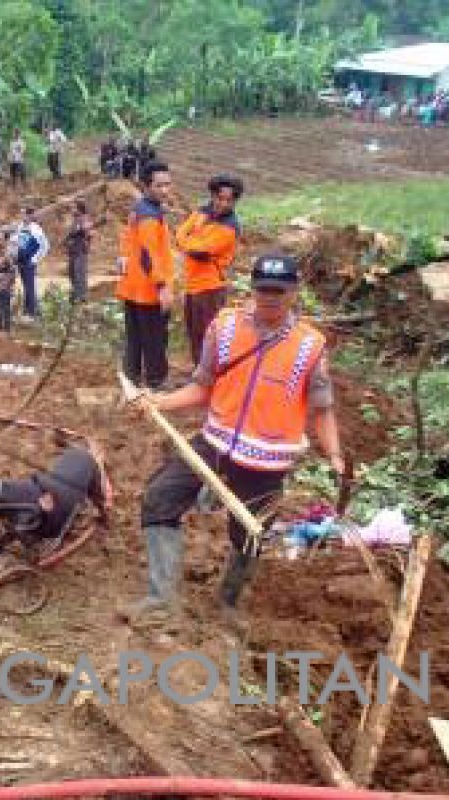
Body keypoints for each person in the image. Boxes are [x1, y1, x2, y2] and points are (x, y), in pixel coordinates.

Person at [121, 254, 344, 627]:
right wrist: (156, 401)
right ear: (252, 289)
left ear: (294, 292)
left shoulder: (310, 347)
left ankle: (229, 602)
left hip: (266, 460)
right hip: (216, 442)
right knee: (160, 497)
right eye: (264, 289)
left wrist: (334, 454)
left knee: (250, 534)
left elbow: (322, 410)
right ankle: (161, 601)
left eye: (279, 290)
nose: (270, 297)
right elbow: (202, 388)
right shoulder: (223, 328)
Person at [116, 160, 175, 389]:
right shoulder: (149, 216)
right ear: (146, 186)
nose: (164, 190)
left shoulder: (140, 209)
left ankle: (131, 377)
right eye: (159, 186)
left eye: (167, 185)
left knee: (135, 337)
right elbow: (149, 255)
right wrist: (162, 287)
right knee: (154, 338)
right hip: (148, 289)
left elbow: (129, 244)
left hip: (132, 286)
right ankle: (156, 381)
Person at [177, 174, 243, 365]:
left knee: (210, 336)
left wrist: (188, 243)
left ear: (235, 201)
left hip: (210, 287)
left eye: (229, 200)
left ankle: (211, 378)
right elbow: (180, 233)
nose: (223, 203)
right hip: (192, 284)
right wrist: (188, 243)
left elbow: (200, 249)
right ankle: (199, 375)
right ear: (213, 196)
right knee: (194, 333)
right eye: (220, 198)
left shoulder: (229, 228)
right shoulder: (201, 212)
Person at [14, 206, 49, 320]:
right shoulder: (20, 226)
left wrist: (35, 259)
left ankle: (32, 312)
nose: (21, 216)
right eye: (21, 214)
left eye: (23, 214)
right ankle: (26, 310)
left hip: (29, 261)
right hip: (20, 260)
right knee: (25, 286)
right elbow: (16, 241)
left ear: (30, 215)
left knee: (30, 286)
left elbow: (45, 246)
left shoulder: (36, 228)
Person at [64, 199, 93, 304]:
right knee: (72, 273)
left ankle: (82, 297)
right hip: (73, 250)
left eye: (74, 207)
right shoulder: (74, 220)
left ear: (79, 208)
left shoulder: (85, 219)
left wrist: (84, 232)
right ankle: (76, 294)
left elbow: (89, 234)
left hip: (80, 250)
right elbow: (71, 233)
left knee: (79, 273)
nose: (72, 209)